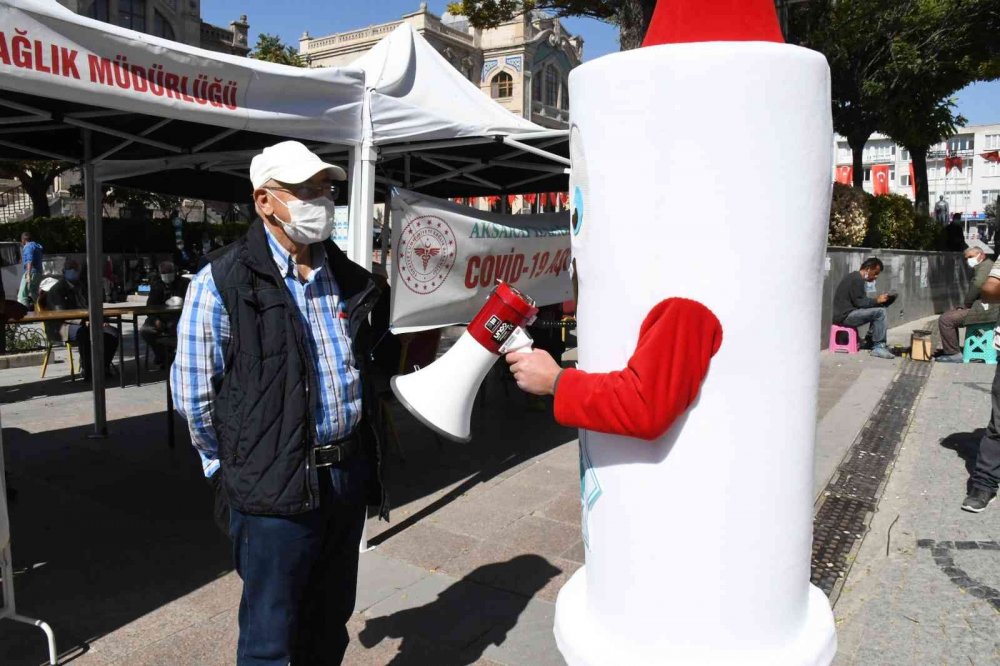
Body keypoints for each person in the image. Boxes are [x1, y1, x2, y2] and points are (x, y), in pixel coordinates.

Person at [172, 140, 387, 666]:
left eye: (326, 189)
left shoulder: (348, 277)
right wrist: (230, 466)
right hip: (270, 486)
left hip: (345, 476)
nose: (322, 201)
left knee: (328, 623)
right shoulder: (221, 281)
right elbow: (195, 396)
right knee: (270, 637)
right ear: (264, 201)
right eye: (305, 190)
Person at [37, 259, 119, 381]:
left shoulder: (82, 286)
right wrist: (83, 322)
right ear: (64, 271)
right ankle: (88, 370)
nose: (73, 271)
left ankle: (103, 367)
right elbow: (61, 315)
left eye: (75, 269)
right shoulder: (57, 290)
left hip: (87, 322)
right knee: (85, 333)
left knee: (112, 333)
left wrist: (101, 319)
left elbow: (92, 306)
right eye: (70, 268)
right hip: (61, 326)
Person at [936, 247, 996, 362]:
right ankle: (972, 347)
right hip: (988, 308)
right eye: (967, 258)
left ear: (981, 255)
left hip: (988, 310)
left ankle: (953, 354)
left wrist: (967, 304)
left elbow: (978, 284)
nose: (969, 260)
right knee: (953, 314)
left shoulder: (985, 267)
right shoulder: (987, 265)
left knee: (946, 319)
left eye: (971, 257)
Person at [831, 257, 895, 359]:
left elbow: (860, 301)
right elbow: (860, 302)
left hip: (847, 314)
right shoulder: (857, 279)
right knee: (880, 312)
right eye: (875, 273)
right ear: (868, 269)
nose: (876, 277)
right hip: (845, 316)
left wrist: (878, 302)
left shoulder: (855, 277)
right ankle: (879, 346)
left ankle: (870, 341)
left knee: (877, 310)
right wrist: (876, 300)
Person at [140, 260, 189, 369]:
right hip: (160, 318)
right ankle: (165, 357)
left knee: (178, 330)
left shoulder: (184, 283)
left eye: (169, 272)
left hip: (180, 318)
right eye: (164, 273)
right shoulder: (157, 285)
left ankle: (174, 357)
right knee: (146, 331)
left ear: (174, 272)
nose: (167, 275)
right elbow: (150, 306)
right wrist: (155, 319)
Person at [17, 231, 43, 307]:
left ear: (23, 240)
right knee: (34, 293)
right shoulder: (37, 246)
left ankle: (23, 313)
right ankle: (41, 310)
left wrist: (28, 274)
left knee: (22, 295)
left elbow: (29, 260)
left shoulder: (28, 247)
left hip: (31, 272)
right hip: (38, 272)